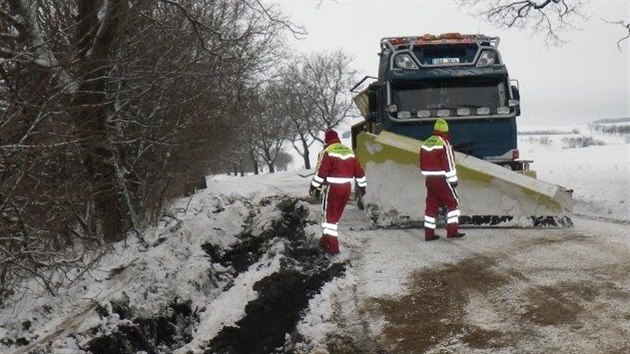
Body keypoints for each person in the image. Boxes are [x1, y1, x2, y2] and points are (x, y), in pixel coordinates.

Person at [310, 129, 367, 254]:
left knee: (328, 219)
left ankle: (333, 249)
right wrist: (362, 187)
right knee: (334, 218)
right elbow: (359, 172)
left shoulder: (328, 151)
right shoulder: (349, 151)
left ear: (326, 140)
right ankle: (325, 242)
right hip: (346, 189)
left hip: (333, 189)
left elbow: (321, 173)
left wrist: (314, 186)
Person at [419, 118, 465, 241]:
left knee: (431, 206)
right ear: (445, 131)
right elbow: (449, 164)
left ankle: (429, 234)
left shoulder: (426, 143)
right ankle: (452, 231)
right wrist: (453, 180)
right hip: (443, 180)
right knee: (452, 203)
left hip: (429, 180)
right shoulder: (444, 143)